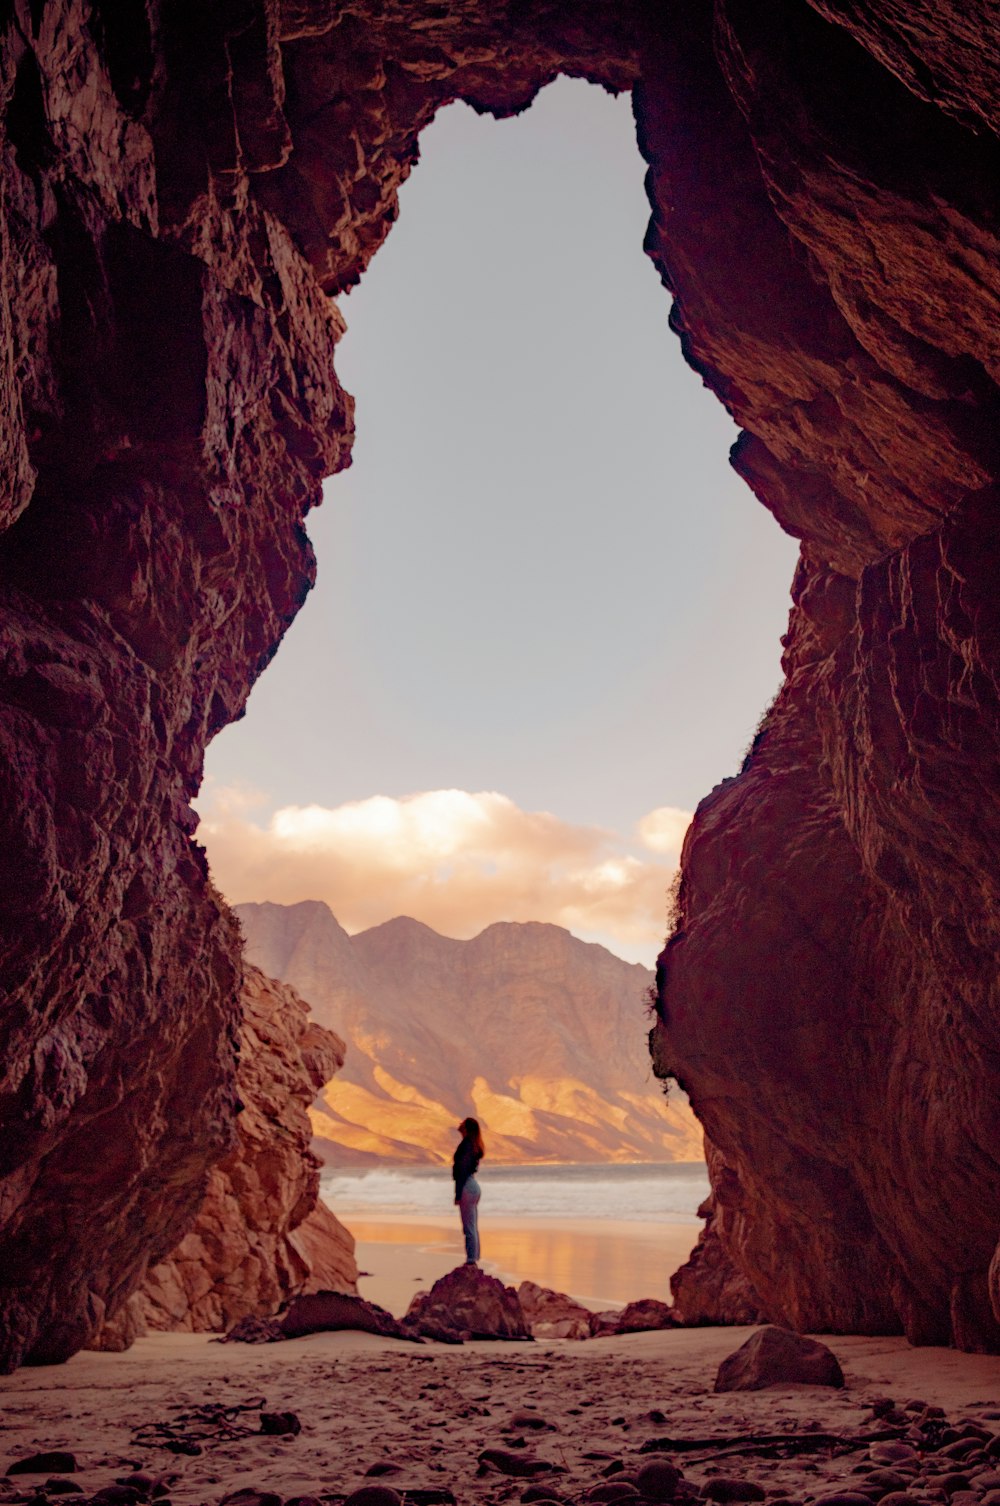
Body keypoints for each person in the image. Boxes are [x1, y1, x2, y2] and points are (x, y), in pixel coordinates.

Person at [452, 1116, 484, 1265]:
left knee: (468, 1228)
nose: (459, 1123)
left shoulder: (466, 1145)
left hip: (467, 1186)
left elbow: (462, 1171)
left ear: (466, 1128)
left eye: (462, 1123)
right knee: (472, 1226)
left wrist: (458, 1194)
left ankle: (471, 1261)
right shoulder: (472, 1145)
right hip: (472, 1186)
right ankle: (474, 1258)